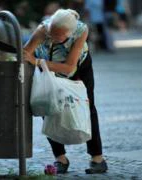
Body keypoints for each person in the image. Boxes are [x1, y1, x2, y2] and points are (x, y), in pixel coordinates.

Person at [23, 9, 108, 174]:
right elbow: (25, 52)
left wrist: (37, 61)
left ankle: (97, 158)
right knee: (47, 106)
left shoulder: (81, 30)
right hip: (48, 68)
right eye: (51, 33)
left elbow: (69, 68)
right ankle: (60, 158)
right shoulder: (43, 29)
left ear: (70, 33)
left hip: (78, 68)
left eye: (59, 36)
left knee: (87, 108)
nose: (52, 37)